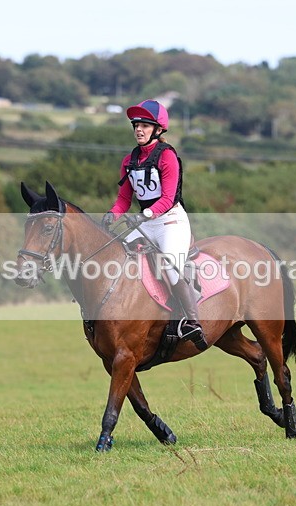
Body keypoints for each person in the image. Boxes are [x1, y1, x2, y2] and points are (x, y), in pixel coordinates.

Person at [101, 99, 207, 350]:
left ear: (158, 129)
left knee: (170, 265)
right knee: (113, 257)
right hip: (145, 221)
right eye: (136, 124)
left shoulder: (167, 156)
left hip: (170, 220)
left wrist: (145, 215)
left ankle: (193, 322)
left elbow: (168, 199)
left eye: (145, 125)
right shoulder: (129, 160)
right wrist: (112, 215)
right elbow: (124, 199)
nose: (138, 129)